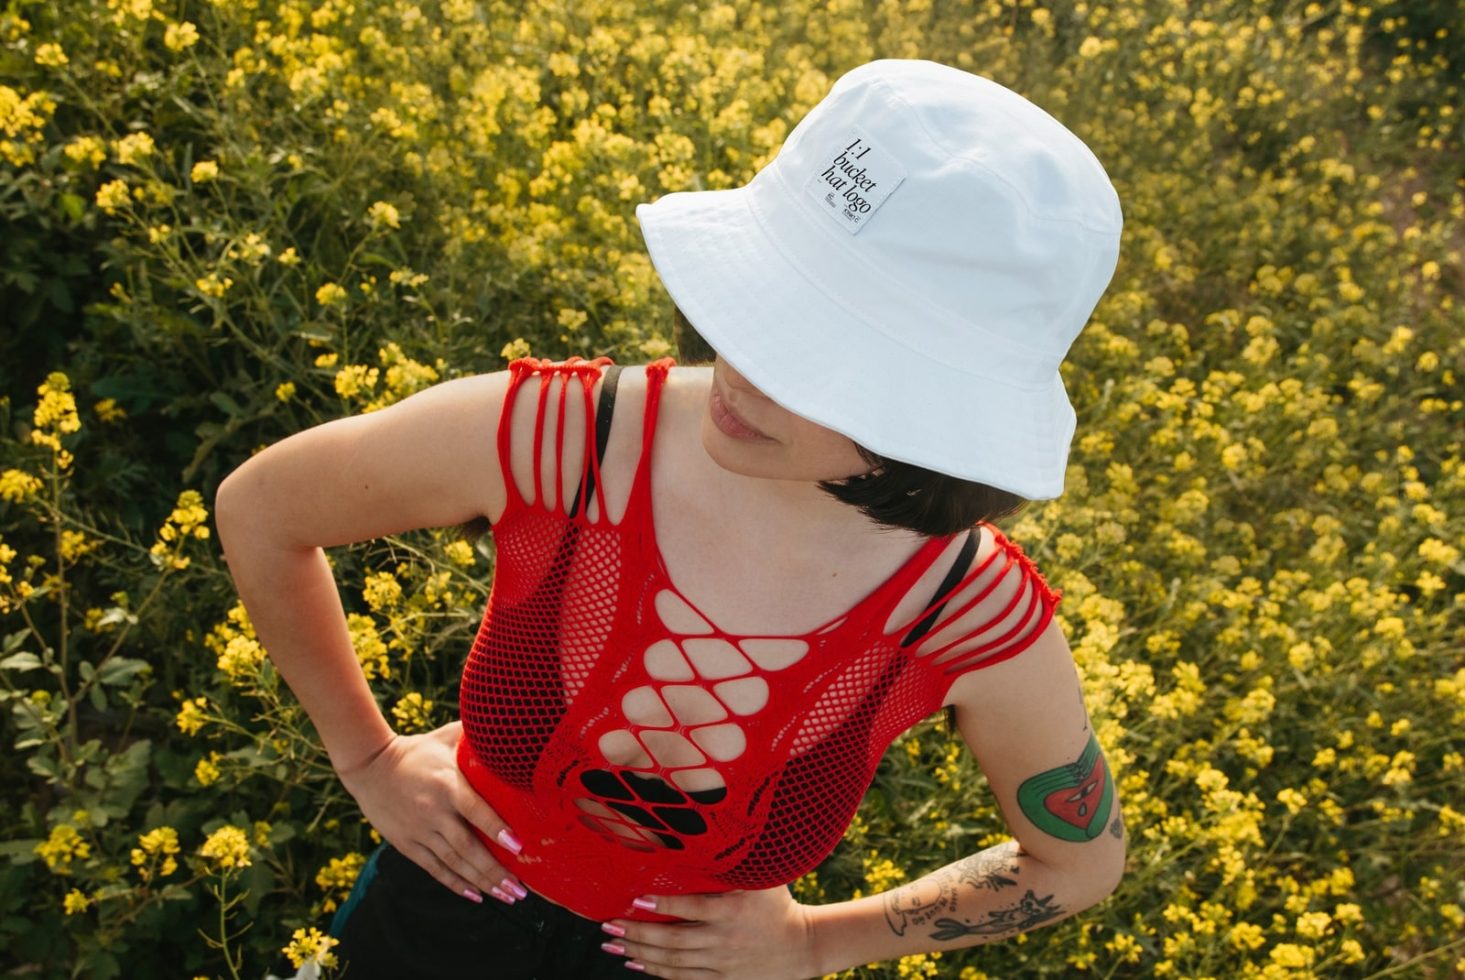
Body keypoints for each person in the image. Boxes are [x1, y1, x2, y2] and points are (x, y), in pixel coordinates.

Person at [217, 59, 1126, 979]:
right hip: (424, 924)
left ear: (943, 413)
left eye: (821, 356)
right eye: (761, 297)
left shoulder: (968, 614)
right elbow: (263, 510)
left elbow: (1078, 862)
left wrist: (818, 941)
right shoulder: (559, 441)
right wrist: (367, 759)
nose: (743, 364)